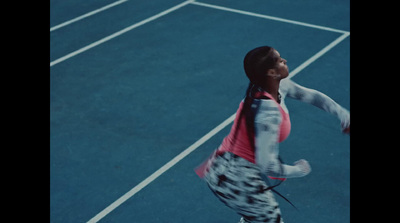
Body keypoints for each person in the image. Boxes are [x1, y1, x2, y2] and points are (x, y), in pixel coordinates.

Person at [195, 46, 350, 223]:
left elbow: (312, 96)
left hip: (226, 169)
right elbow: (268, 166)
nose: (284, 60)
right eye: (279, 60)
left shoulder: (276, 86)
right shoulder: (267, 114)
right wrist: (299, 170)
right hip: (237, 180)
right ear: (271, 72)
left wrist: (344, 115)